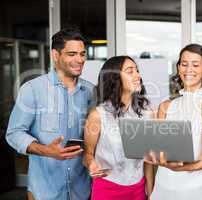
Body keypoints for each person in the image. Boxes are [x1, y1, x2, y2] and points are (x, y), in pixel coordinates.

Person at [6, 28, 94, 200]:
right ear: (55, 55)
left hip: (82, 190)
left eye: (82, 54)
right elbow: (14, 133)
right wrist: (46, 151)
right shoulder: (32, 90)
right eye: (72, 54)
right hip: (44, 191)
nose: (80, 59)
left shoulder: (91, 92)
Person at [148, 44, 202, 200]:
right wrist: (152, 155)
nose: (189, 70)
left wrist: (179, 168)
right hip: (164, 187)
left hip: (196, 189)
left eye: (195, 65)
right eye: (184, 64)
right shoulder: (165, 107)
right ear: (178, 67)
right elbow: (159, 151)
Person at [83, 56, 154, 200]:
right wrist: (91, 163)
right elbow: (87, 154)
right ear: (114, 78)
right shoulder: (97, 115)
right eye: (130, 71)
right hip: (107, 188)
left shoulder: (147, 114)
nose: (138, 75)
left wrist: (151, 193)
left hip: (137, 189)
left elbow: (147, 161)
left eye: (137, 70)